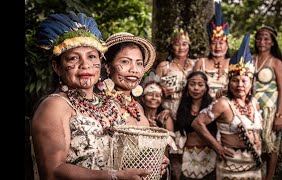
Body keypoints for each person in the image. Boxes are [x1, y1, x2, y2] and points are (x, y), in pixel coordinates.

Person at [31, 11, 152, 179]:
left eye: (92, 57)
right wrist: (114, 176)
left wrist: (148, 163)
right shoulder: (55, 106)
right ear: (57, 67)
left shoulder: (110, 103)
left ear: (100, 64)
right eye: (73, 58)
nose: (85, 65)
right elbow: (52, 171)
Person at [191, 34, 264, 179]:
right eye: (235, 80)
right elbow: (197, 123)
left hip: (253, 163)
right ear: (229, 83)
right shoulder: (223, 103)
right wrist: (217, 146)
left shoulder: (254, 103)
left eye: (244, 81)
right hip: (231, 165)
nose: (240, 85)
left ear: (251, 83)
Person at [101, 32, 170, 176]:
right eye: (125, 62)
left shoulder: (137, 107)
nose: (134, 69)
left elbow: (139, 152)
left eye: (139, 63)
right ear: (108, 67)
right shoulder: (101, 105)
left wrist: (156, 160)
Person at [155, 27, 197, 180]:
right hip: (170, 109)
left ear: (189, 46)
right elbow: (150, 89)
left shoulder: (195, 65)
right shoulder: (164, 66)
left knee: (190, 150)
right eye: (178, 44)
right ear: (172, 46)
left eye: (185, 44)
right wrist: (161, 91)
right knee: (173, 151)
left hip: (190, 109)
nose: (181, 47)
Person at [253, 26, 282, 180]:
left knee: (270, 145)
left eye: (266, 38)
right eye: (259, 38)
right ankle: (256, 175)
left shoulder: (276, 62)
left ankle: (269, 177)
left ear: (273, 42)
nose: (262, 41)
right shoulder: (250, 58)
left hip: (270, 110)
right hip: (252, 109)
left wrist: (279, 115)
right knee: (255, 143)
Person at [175, 71, 217, 180]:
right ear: (187, 86)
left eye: (200, 84)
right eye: (192, 84)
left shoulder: (213, 107)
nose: (196, 88)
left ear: (206, 88)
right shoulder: (181, 108)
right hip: (188, 156)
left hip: (209, 155)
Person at [193, 0, 230, 100]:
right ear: (209, 45)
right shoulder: (201, 63)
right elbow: (191, 86)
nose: (217, 47)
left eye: (221, 43)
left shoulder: (233, 62)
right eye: (214, 43)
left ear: (227, 44)